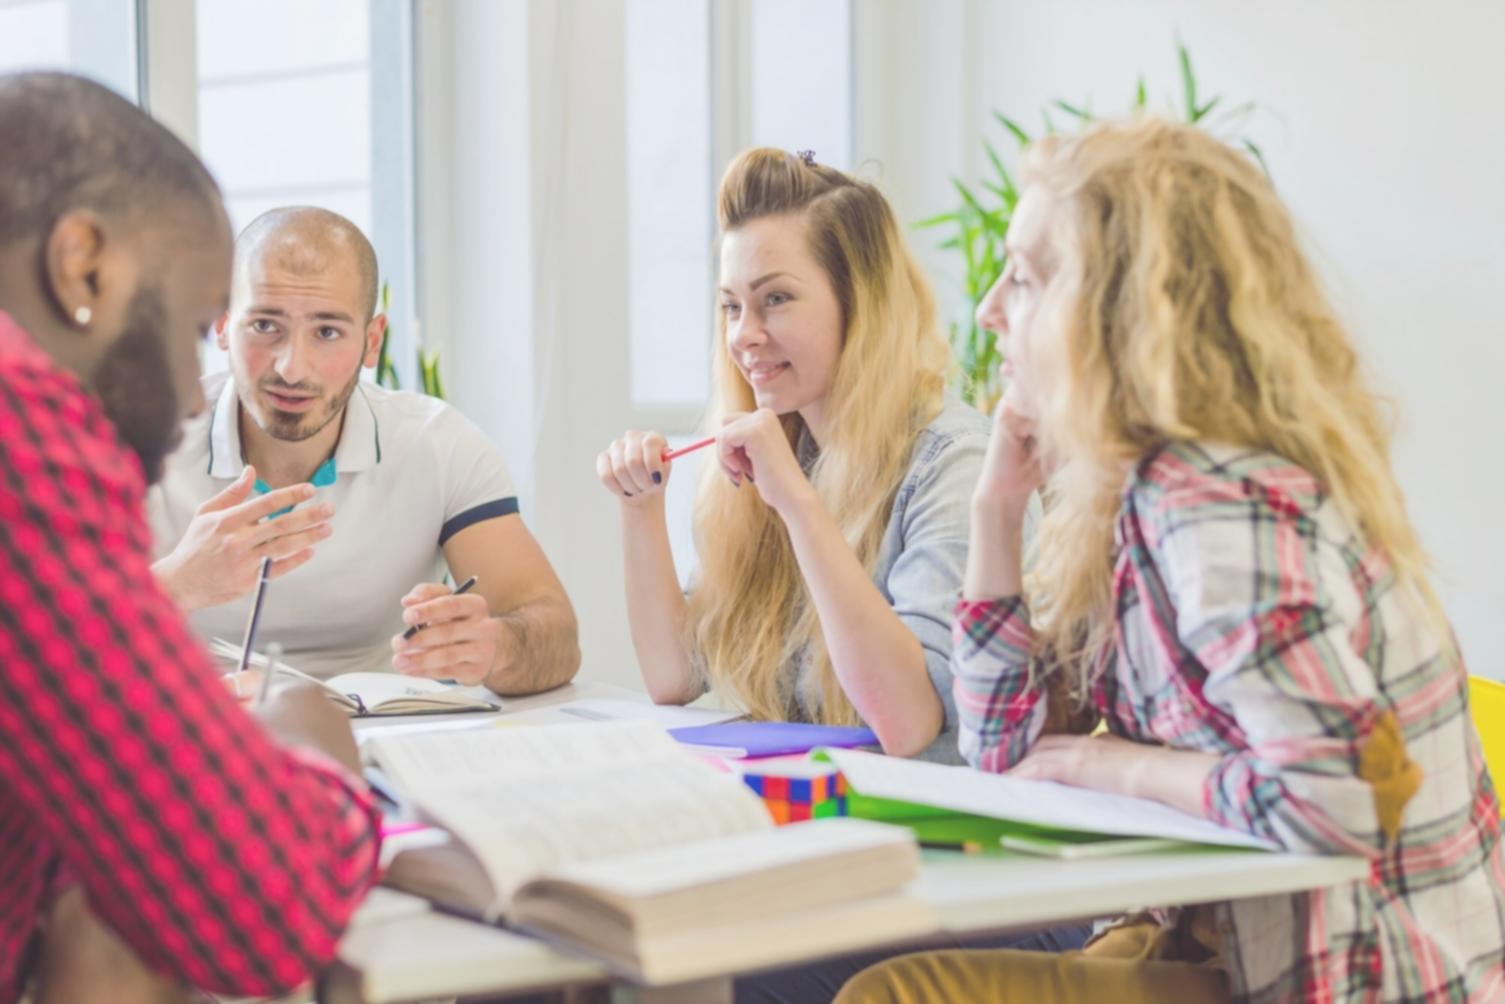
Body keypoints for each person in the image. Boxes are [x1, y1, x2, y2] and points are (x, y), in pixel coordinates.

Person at [837, 118, 1505, 1003]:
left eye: (1027, 280)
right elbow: (1004, 753)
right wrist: (996, 511)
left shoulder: (1210, 502)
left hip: (1358, 974)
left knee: (893, 995)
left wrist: (1111, 764)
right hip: (1220, 943)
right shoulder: (1121, 495)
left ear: (1118, 315)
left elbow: (1333, 802)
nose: (992, 309)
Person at [0, 73, 381, 1003]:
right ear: (83, 265)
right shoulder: (20, 423)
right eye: (195, 322)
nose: (190, 392)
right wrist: (312, 739)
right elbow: (260, 906)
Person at [597, 148, 995, 762]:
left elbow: (910, 724)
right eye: (731, 305)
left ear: (860, 306)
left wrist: (797, 504)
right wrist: (640, 507)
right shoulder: (787, 447)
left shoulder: (954, 463)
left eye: (775, 299)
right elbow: (674, 679)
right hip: (804, 811)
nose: (742, 335)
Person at [148, 207, 580, 692]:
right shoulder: (141, 443)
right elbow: (50, 637)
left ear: (372, 342)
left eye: (327, 332)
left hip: (381, 738)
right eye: (266, 326)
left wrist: (494, 647)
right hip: (191, 736)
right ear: (224, 324)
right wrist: (175, 584)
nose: (292, 368)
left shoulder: (439, 445)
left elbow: (555, 635)